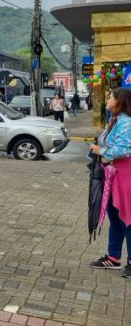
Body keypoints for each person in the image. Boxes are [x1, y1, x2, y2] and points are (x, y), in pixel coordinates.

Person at [88, 88, 131, 277]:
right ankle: (113, 257)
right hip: (112, 175)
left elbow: (124, 148)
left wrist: (101, 151)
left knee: (128, 218)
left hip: (125, 175)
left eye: (111, 97)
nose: (107, 99)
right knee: (115, 217)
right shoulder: (115, 120)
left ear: (120, 101)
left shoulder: (127, 123)